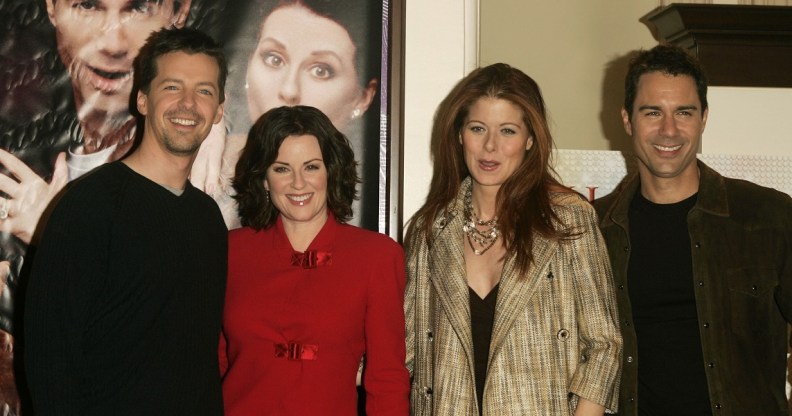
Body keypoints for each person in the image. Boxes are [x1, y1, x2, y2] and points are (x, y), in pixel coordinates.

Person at [24, 27, 228, 414]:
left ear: (219, 109)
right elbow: (50, 359)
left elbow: (198, 363)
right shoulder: (90, 205)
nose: (188, 103)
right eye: (172, 87)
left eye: (204, 91)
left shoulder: (207, 218)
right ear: (143, 100)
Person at [404, 63, 622, 415]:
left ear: (530, 139)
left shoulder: (569, 220)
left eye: (507, 131)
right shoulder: (429, 230)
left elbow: (604, 346)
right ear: (459, 134)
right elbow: (405, 351)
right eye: (478, 128)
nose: (490, 146)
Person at [594, 44, 792, 415]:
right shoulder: (594, 230)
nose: (669, 130)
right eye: (653, 112)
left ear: (703, 119)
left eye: (684, 112)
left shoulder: (769, 217)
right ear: (626, 119)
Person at [219, 105, 409, 415]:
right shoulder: (230, 251)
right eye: (282, 169)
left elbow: (387, 378)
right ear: (264, 179)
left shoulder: (377, 257)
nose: (298, 183)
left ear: (330, 171)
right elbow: (213, 363)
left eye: (311, 167)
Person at [216, 0, 380, 230]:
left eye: (321, 70)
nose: (289, 90)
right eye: (274, 59)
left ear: (363, 97)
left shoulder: (375, 244)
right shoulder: (209, 177)